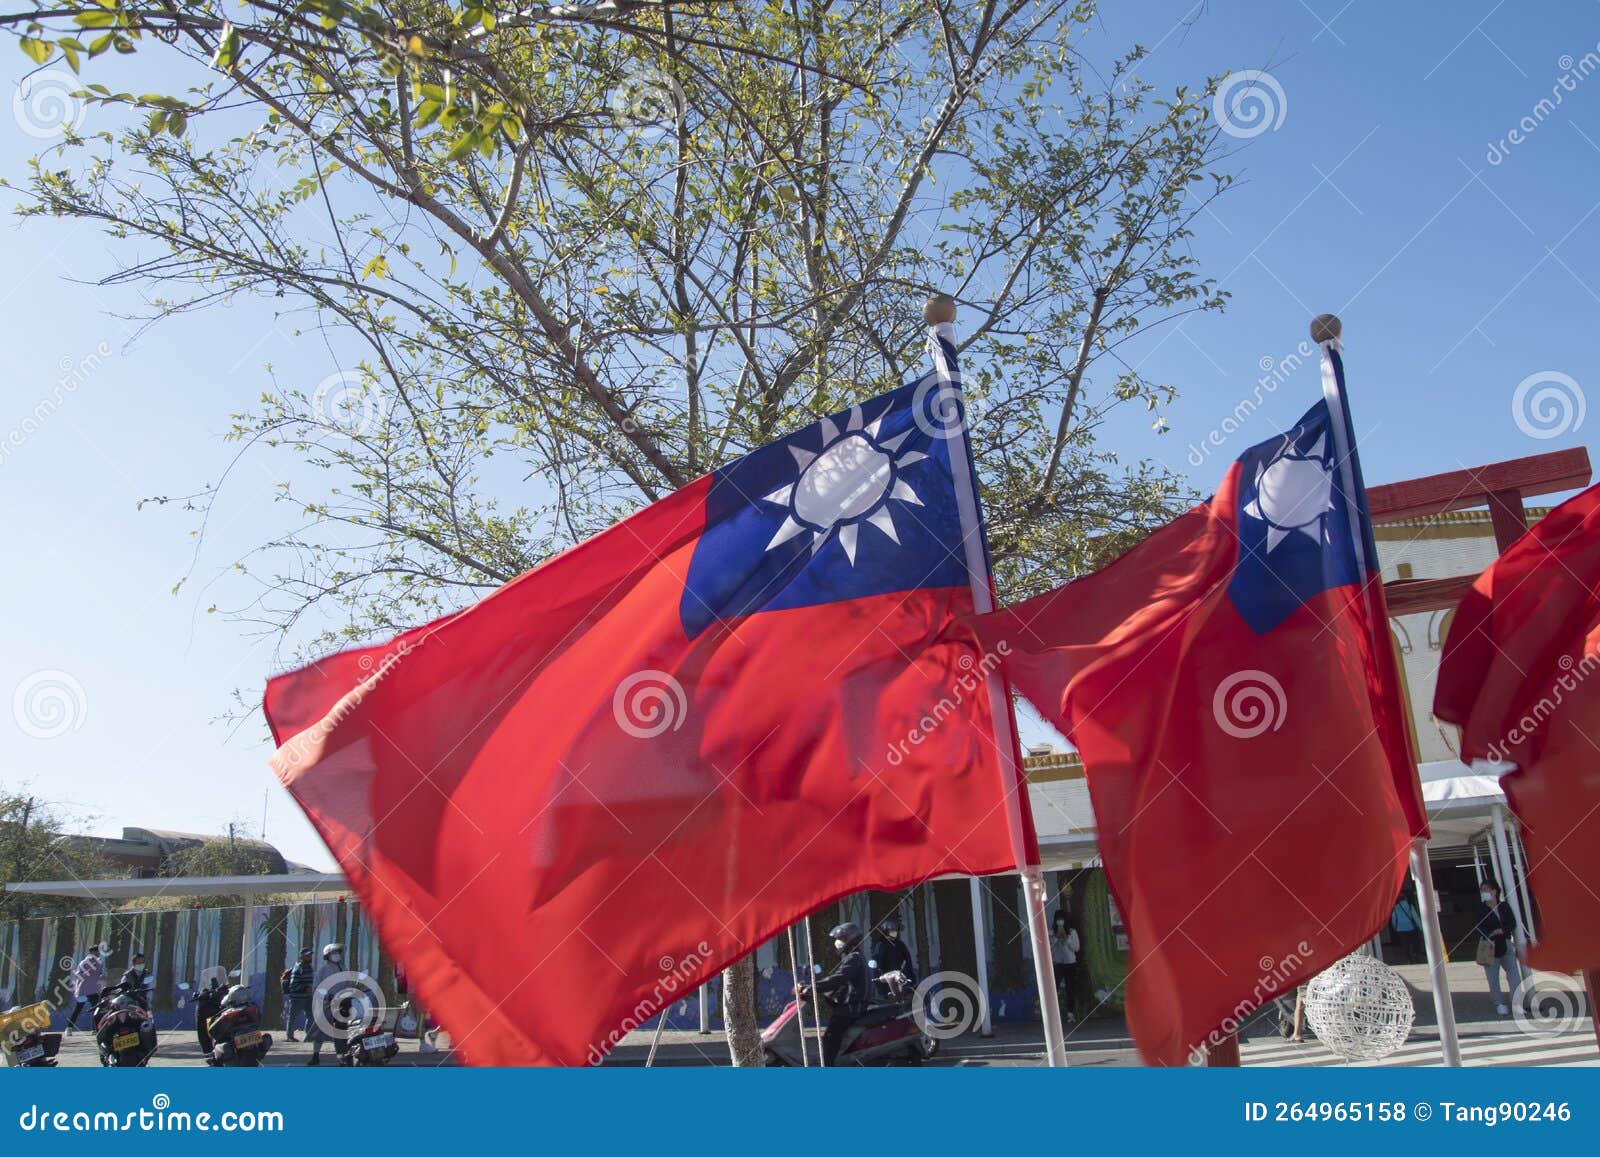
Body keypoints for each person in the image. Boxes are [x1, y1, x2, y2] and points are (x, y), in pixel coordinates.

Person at [795, 922, 868, 1066]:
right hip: (853, 1006)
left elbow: (837, 979)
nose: (837, 943)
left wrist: (812, 988)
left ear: (850, 940)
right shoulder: (854, 957)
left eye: (841, 939)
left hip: (851, 1009)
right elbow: (840, 980)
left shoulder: (854, 958)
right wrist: (816, 986)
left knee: (830, 1038)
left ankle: (827, 1066)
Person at [1475, 880, 1522, 1016]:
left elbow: (1512, 923)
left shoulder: (1504, 906)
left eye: (1486, 889)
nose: (1483, 893)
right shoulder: (1481, 908)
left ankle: (1516, 1003)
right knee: (1493, 978)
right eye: (1482, 890)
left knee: (1514, 975)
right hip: (1489, 945)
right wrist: (1490, 934)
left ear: (1494, 891)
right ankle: (1499, 1004)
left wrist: (1502, 930)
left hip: (1505, 943)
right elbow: (1479, 926)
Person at [307, 942, 347, 1066]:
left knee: (340, 1031)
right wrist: (327, 996)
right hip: (326, 1004)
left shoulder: (343, 968)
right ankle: (315, 1055)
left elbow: (348, 984)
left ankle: (341, 1057)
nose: (337, 955)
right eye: (334, 953)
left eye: (338, 953)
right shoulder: (323, 970)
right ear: (327, 955)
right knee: (320, 1030)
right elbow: (317, 987)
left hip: (341, 1003)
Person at [1048, 911, 1081, 1023]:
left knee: (1070, 989)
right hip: (1057, 964)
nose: (1060, 921)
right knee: (1054, 988)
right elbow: (1048, 948)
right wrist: (1056, 938)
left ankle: (1070, 1014)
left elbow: (1076, 948)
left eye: (1062, 919)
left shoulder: (1072, 932)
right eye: (1058, 919)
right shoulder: (1051, 933)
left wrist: (1067, 939)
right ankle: (1053, 1014)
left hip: (1070, 964)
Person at [869, 916, 918, 988]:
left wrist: (911, 980)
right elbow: (876, 966)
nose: (895, 932)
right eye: (892, 930)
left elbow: (908, 962)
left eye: (896, 930)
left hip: (902, 981)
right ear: (886, 931)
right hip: (886, 983)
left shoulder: (900, 945)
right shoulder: (881, 945)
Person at [66, 944, 104, 1032]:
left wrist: (102, 976)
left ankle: (95, 1029)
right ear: (91, 952)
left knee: (96, 1010)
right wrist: (88, 972)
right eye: (96, 951)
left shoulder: (100, 963)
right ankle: (69, 1028)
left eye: (98, 951)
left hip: (94, 990)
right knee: (78, 1009)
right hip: (83, 990)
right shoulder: (84, 963)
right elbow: (78, 975)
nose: (98, 953)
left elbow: (100, 974)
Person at [281, 947, 315, 1041]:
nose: (309, 957)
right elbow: (293, 985)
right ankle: (290, 1036)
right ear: (302, 957)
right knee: (293, 1017)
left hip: (308, 997)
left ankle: (309, 1036)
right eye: (307, 955)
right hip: (297, 998)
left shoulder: (309, 968)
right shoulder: (298, 968)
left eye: (310, 955)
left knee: (311, 1016)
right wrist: (305, 988)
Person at [1390, 891, 1423, 964]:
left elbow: (1394, 918)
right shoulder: (1410, 906)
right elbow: (1415, 917)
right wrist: (1421, 927)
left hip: (1400, 928)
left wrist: (1394, 927)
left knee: (1405, 944)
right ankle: (1415, 954)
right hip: (1410, 927)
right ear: (1406, 898)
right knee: (1415, 941)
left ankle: (1408, 959)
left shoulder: (1395, 908)